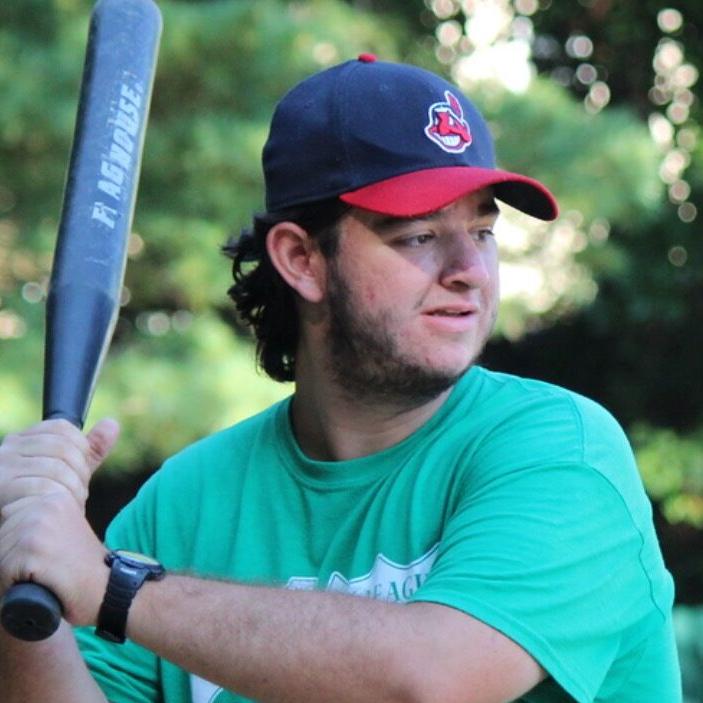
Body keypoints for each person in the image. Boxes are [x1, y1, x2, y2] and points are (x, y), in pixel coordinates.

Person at [0, 55, 681, 703]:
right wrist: (19, 562)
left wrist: (116, 590)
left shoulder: (559, 449)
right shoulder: (185, 502)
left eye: (481, 232)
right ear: (301, 260)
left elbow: (434, 679)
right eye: (418, 235)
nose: (469, 270)